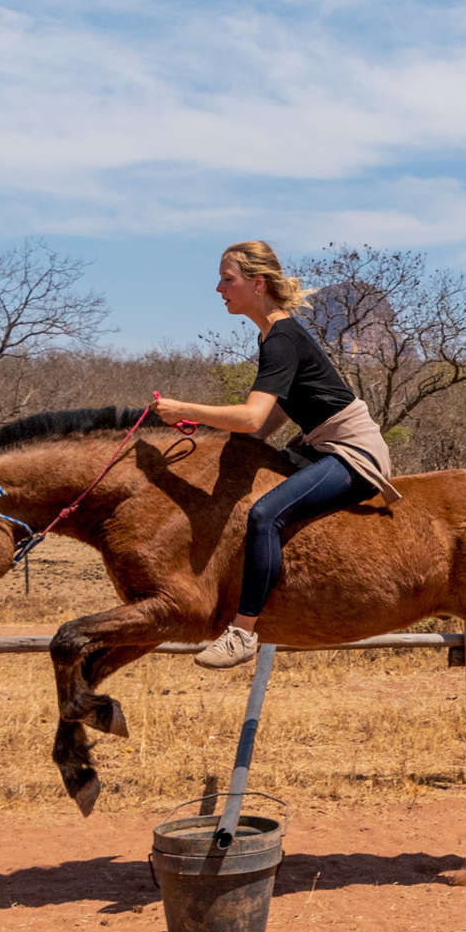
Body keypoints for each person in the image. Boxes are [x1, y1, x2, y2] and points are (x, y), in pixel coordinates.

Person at [151, 241, 400, 668]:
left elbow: (251, 417)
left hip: (353, 453)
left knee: (265, 514)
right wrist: (231, 445)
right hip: (321, 444)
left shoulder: (281, 338)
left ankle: (243, 633)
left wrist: (183, 410)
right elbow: (278, 409)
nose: (218, 289)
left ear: (257, 283)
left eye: (227, 280)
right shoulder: (273, 334)